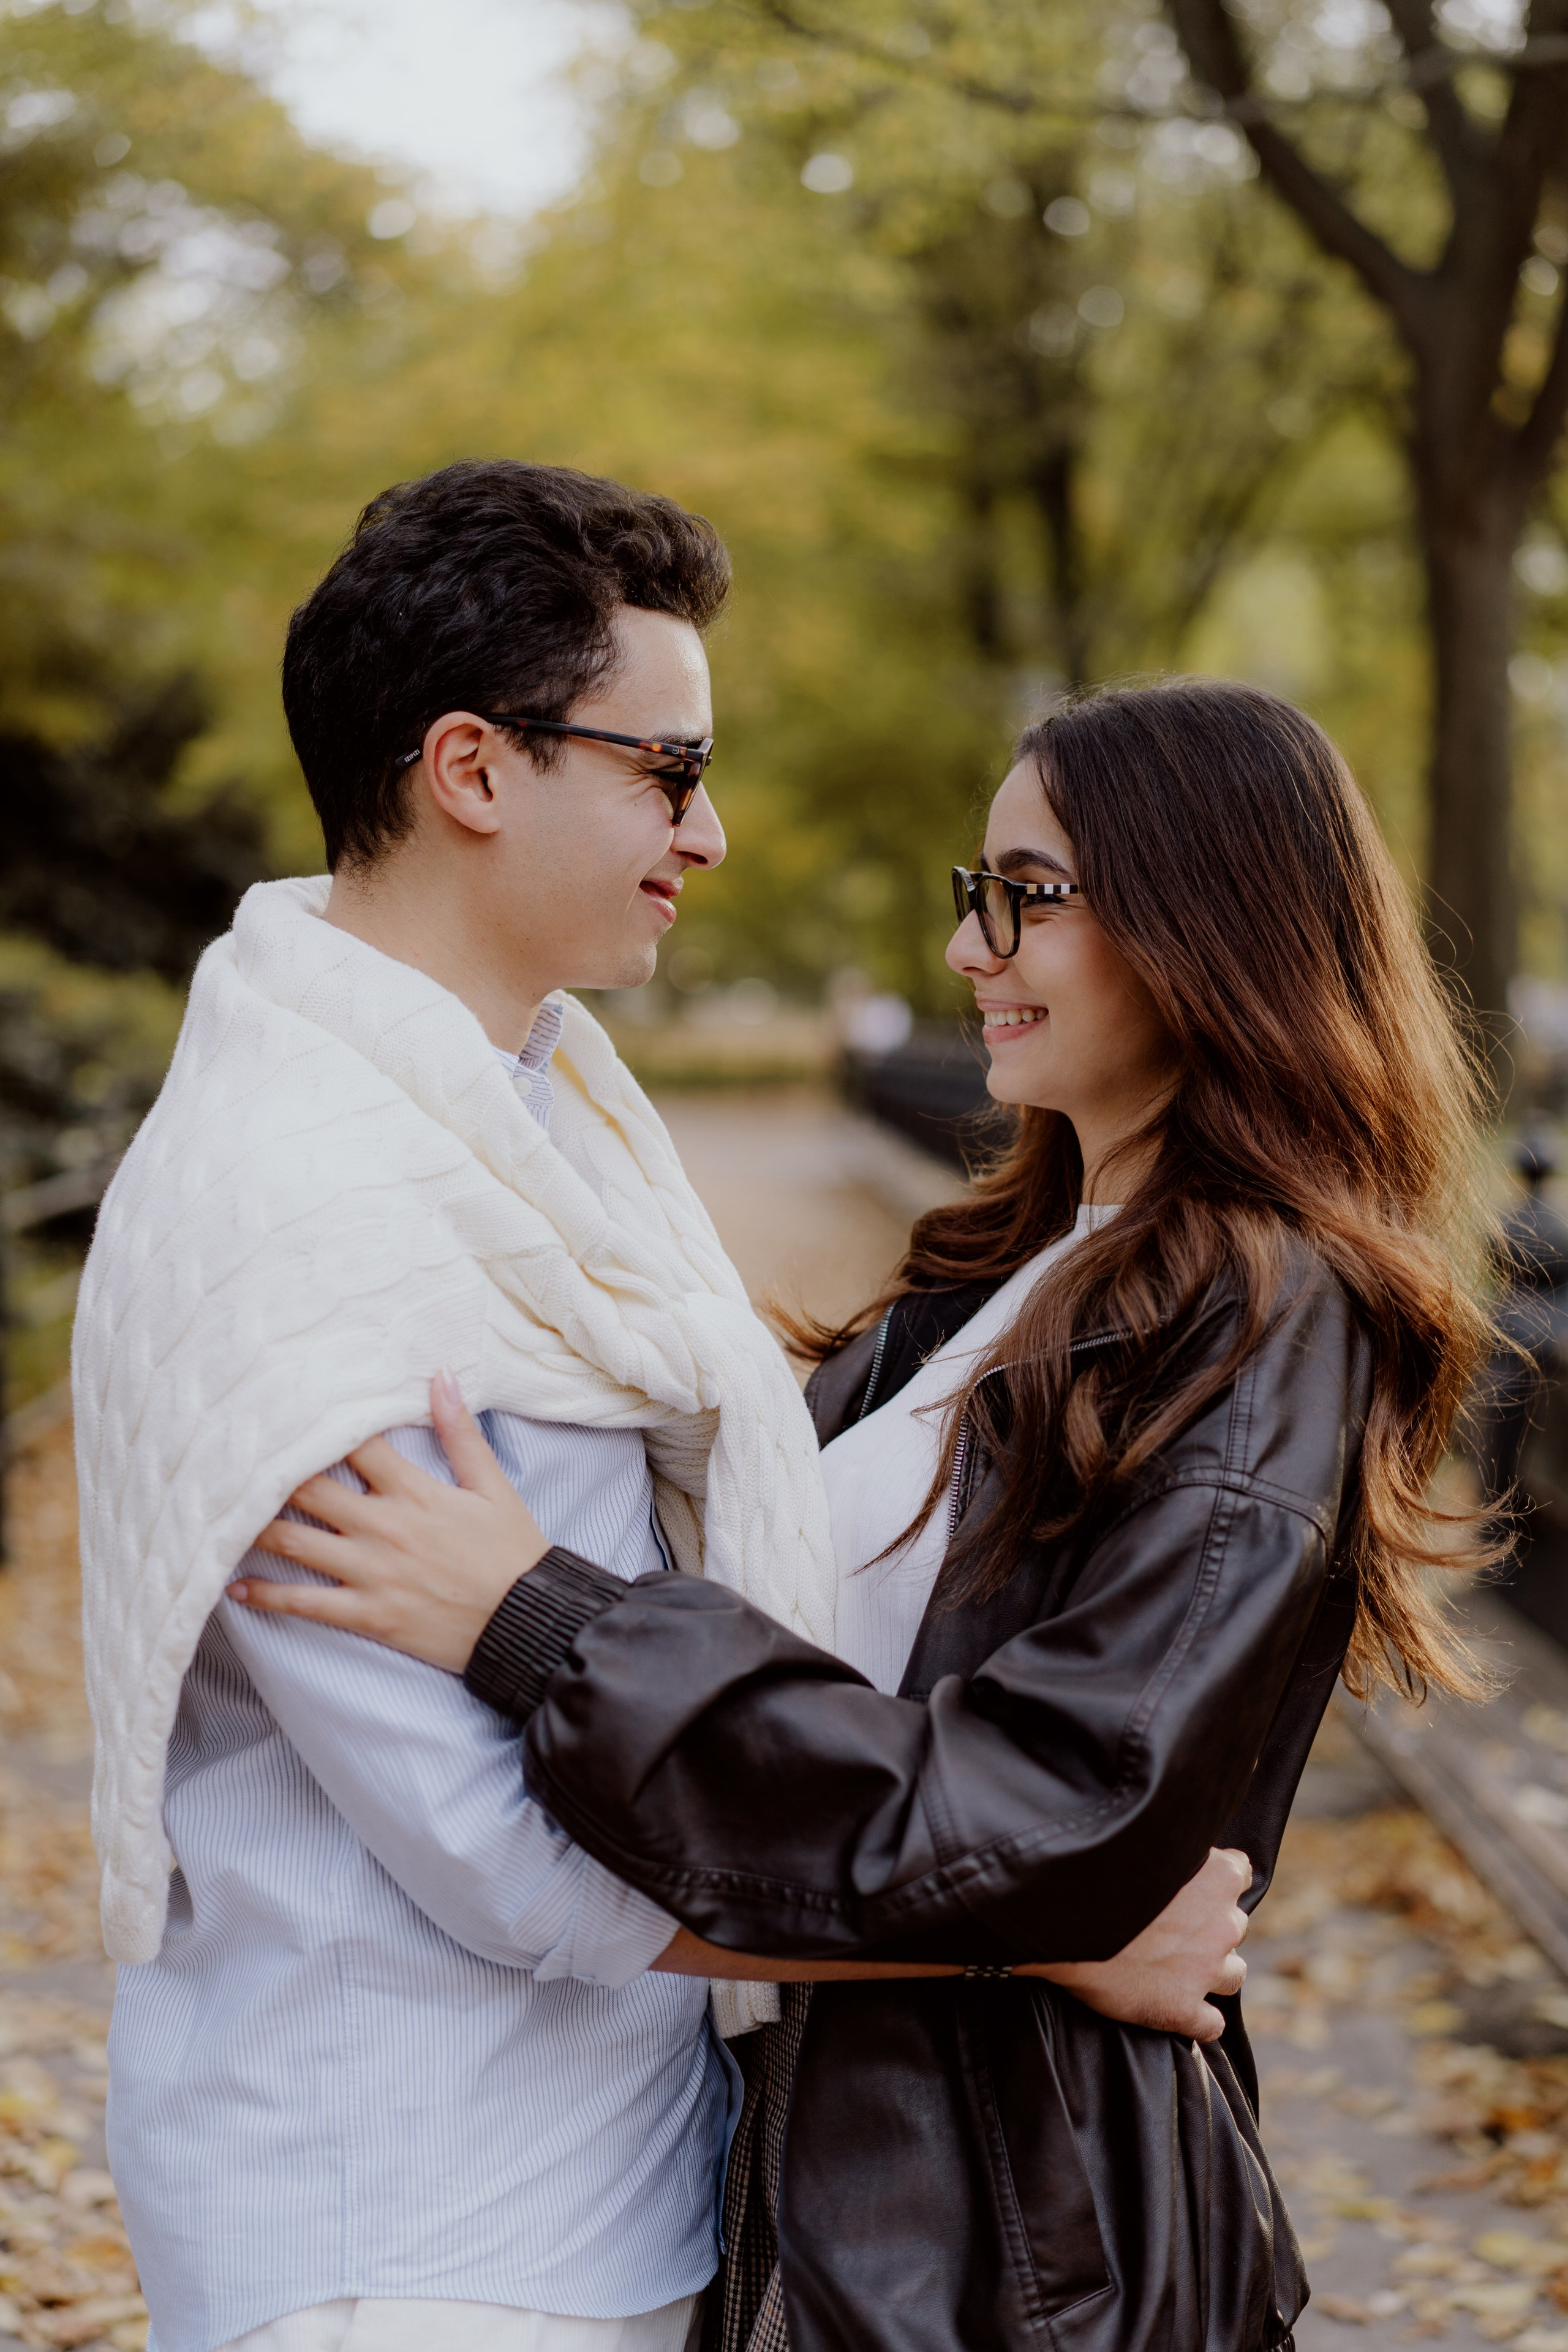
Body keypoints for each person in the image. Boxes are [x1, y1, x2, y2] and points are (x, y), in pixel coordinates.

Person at [72, 464, 1246, 2352]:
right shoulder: (295, 1217)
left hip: (600, 2188)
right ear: (474, 769)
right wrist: (1037, 1928)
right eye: (669, 773)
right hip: (407, 2231)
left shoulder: (534, 1118)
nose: (708, 834)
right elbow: (508, 1861)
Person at [233, 677, 1501, 2352]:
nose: (974, 950)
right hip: (855, 2187)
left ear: (1215, 919)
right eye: (975, 896)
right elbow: (936, 1789)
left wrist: (535, 1624)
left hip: (1025, 2243)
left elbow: (1058, 1813)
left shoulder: (1268, 1314)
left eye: (1029, 898)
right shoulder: (992, 1285)